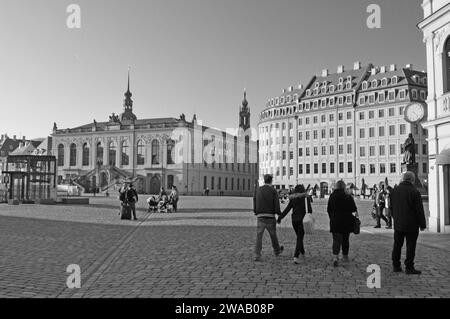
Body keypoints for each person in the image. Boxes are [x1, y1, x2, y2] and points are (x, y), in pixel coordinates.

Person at [390, 171, 426, 275]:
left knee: (397, 245)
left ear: (402, 179)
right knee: (411, 246)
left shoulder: (394, 191)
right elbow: (419, 210)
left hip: (398, 223)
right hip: (411, 224)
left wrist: (395, 218)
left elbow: (392, 208)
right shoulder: (414, 192)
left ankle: (396, 266)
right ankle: (409, 267)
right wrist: (422, 224)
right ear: (412, 180)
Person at [277, 184, 313, 264]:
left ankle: (303, 253)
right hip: (303, 220)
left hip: (294, 221)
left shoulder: (293, 198)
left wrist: (280, 217)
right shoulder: (306, 198)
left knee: (299, 237)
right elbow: (310, 210)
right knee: (300, 238)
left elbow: (287, 209)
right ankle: (296, 256)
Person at [253, 174, 284, 261]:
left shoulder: (258, 190)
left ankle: (257, 254)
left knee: (259, 236)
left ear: (264, 180)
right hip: (270, 216)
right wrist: (279, 215)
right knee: (273, 235)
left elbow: (254, 199)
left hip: (260, 216)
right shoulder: (273, 190)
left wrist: (255, 210)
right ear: (271, 181)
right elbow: (276, 205)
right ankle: (277, 251)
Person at [327, 180, 358, 267]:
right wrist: (357, 218)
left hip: (335, 221)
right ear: (344, 187)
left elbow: (329, 209)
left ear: (336, 187)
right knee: (345, 240)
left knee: (336, 240)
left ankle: (335, 257)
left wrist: (332, 218)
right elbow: (354, 210)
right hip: (346, 222)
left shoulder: (332, 196)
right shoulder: (348, 196)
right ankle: (345, 257)